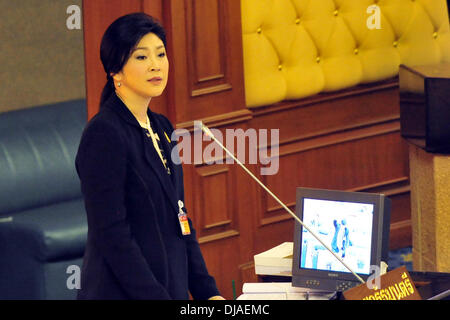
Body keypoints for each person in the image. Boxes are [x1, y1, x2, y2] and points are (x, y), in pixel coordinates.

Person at [75, 12, 223, 300]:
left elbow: (181, 219)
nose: (156, 65)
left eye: (161, 54)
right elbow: (112, 234)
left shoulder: (163, 127)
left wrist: (208, 293)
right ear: (116, 70)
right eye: (141, 57)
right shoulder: (104, 134)